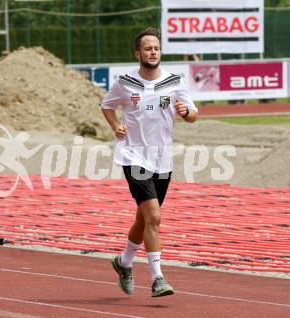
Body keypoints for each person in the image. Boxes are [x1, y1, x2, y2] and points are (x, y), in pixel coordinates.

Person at [101, 27, 197, 298]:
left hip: (162, 159)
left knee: (144, 219)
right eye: (147, 48)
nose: (153, 52)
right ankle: (157, 278)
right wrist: (115, 126)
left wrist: (186, 111)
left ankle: (124, 262)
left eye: (156, 48)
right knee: (154, 216)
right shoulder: (124, 82)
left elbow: (193, 115)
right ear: (137, 53)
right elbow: (106, 105)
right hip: (133, 156)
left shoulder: (175, 81)